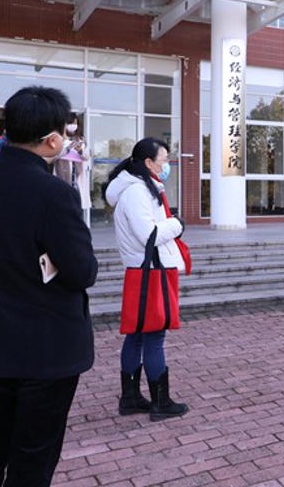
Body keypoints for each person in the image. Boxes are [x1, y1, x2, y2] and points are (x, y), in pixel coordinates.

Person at [0, 86, 97, 487]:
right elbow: (82, 271)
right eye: (64, 134)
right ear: (52, 140)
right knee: (32, 459)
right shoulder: (53, 193)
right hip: (47, 348)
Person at [105, 137, 189, 421]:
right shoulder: (137, 191)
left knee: (139, 335)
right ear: (148, 163)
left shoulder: (136, 187)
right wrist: (176, 224)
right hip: (151, 271)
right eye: (163, 160)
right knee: (153, 336)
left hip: (143, 270)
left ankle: (131, 398)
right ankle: (160, 403)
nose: (167, 165)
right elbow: (149, 234)